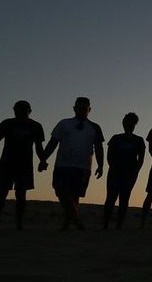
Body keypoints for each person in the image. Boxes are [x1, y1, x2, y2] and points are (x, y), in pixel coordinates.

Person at [39, 97, 105, 231]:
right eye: (79, 108)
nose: (82, 111)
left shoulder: (94, 127)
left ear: (89, 110)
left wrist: (101, 165)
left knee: (75, 195)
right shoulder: (64, 124)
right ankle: (76, 219)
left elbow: (99, 147)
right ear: (74, 108)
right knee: (61, 191)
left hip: (83, 166)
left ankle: (68, 223)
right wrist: (43, 158)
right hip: (63, 165)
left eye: (84, 109)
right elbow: (53, 142)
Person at [0, 101, 45, 231]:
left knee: (21, 195)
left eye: (24, 110)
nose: (21, 112)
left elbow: (39, 147)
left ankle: (18, 224)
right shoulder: (7, 123)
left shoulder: (35, 126)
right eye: (18, 109)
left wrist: (43, 160)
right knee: (1, 193)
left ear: (30, 111)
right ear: (14, 110)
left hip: (25, 164)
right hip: (7, 162)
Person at [103, 113, 145, 230]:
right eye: (126, 122)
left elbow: (141, 159)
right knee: (111, 197)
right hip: (115, 171)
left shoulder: (138, 140)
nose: (128, 125)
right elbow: (109, 156)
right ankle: (106, 224)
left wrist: (135, 171)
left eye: (131, 123)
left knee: (124, 198)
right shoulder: (116, 138)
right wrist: (114, 167)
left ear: (134, 125)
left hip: (130, 173)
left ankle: (119, 225)